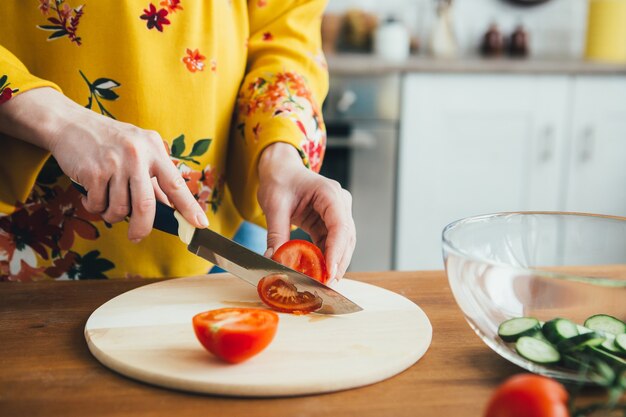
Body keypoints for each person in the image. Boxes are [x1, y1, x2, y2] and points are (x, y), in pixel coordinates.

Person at [0, 0, 355, 281]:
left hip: (223, 247)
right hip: (28, 246)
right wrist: (60, 121)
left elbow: (284, 34)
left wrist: (281, 153)